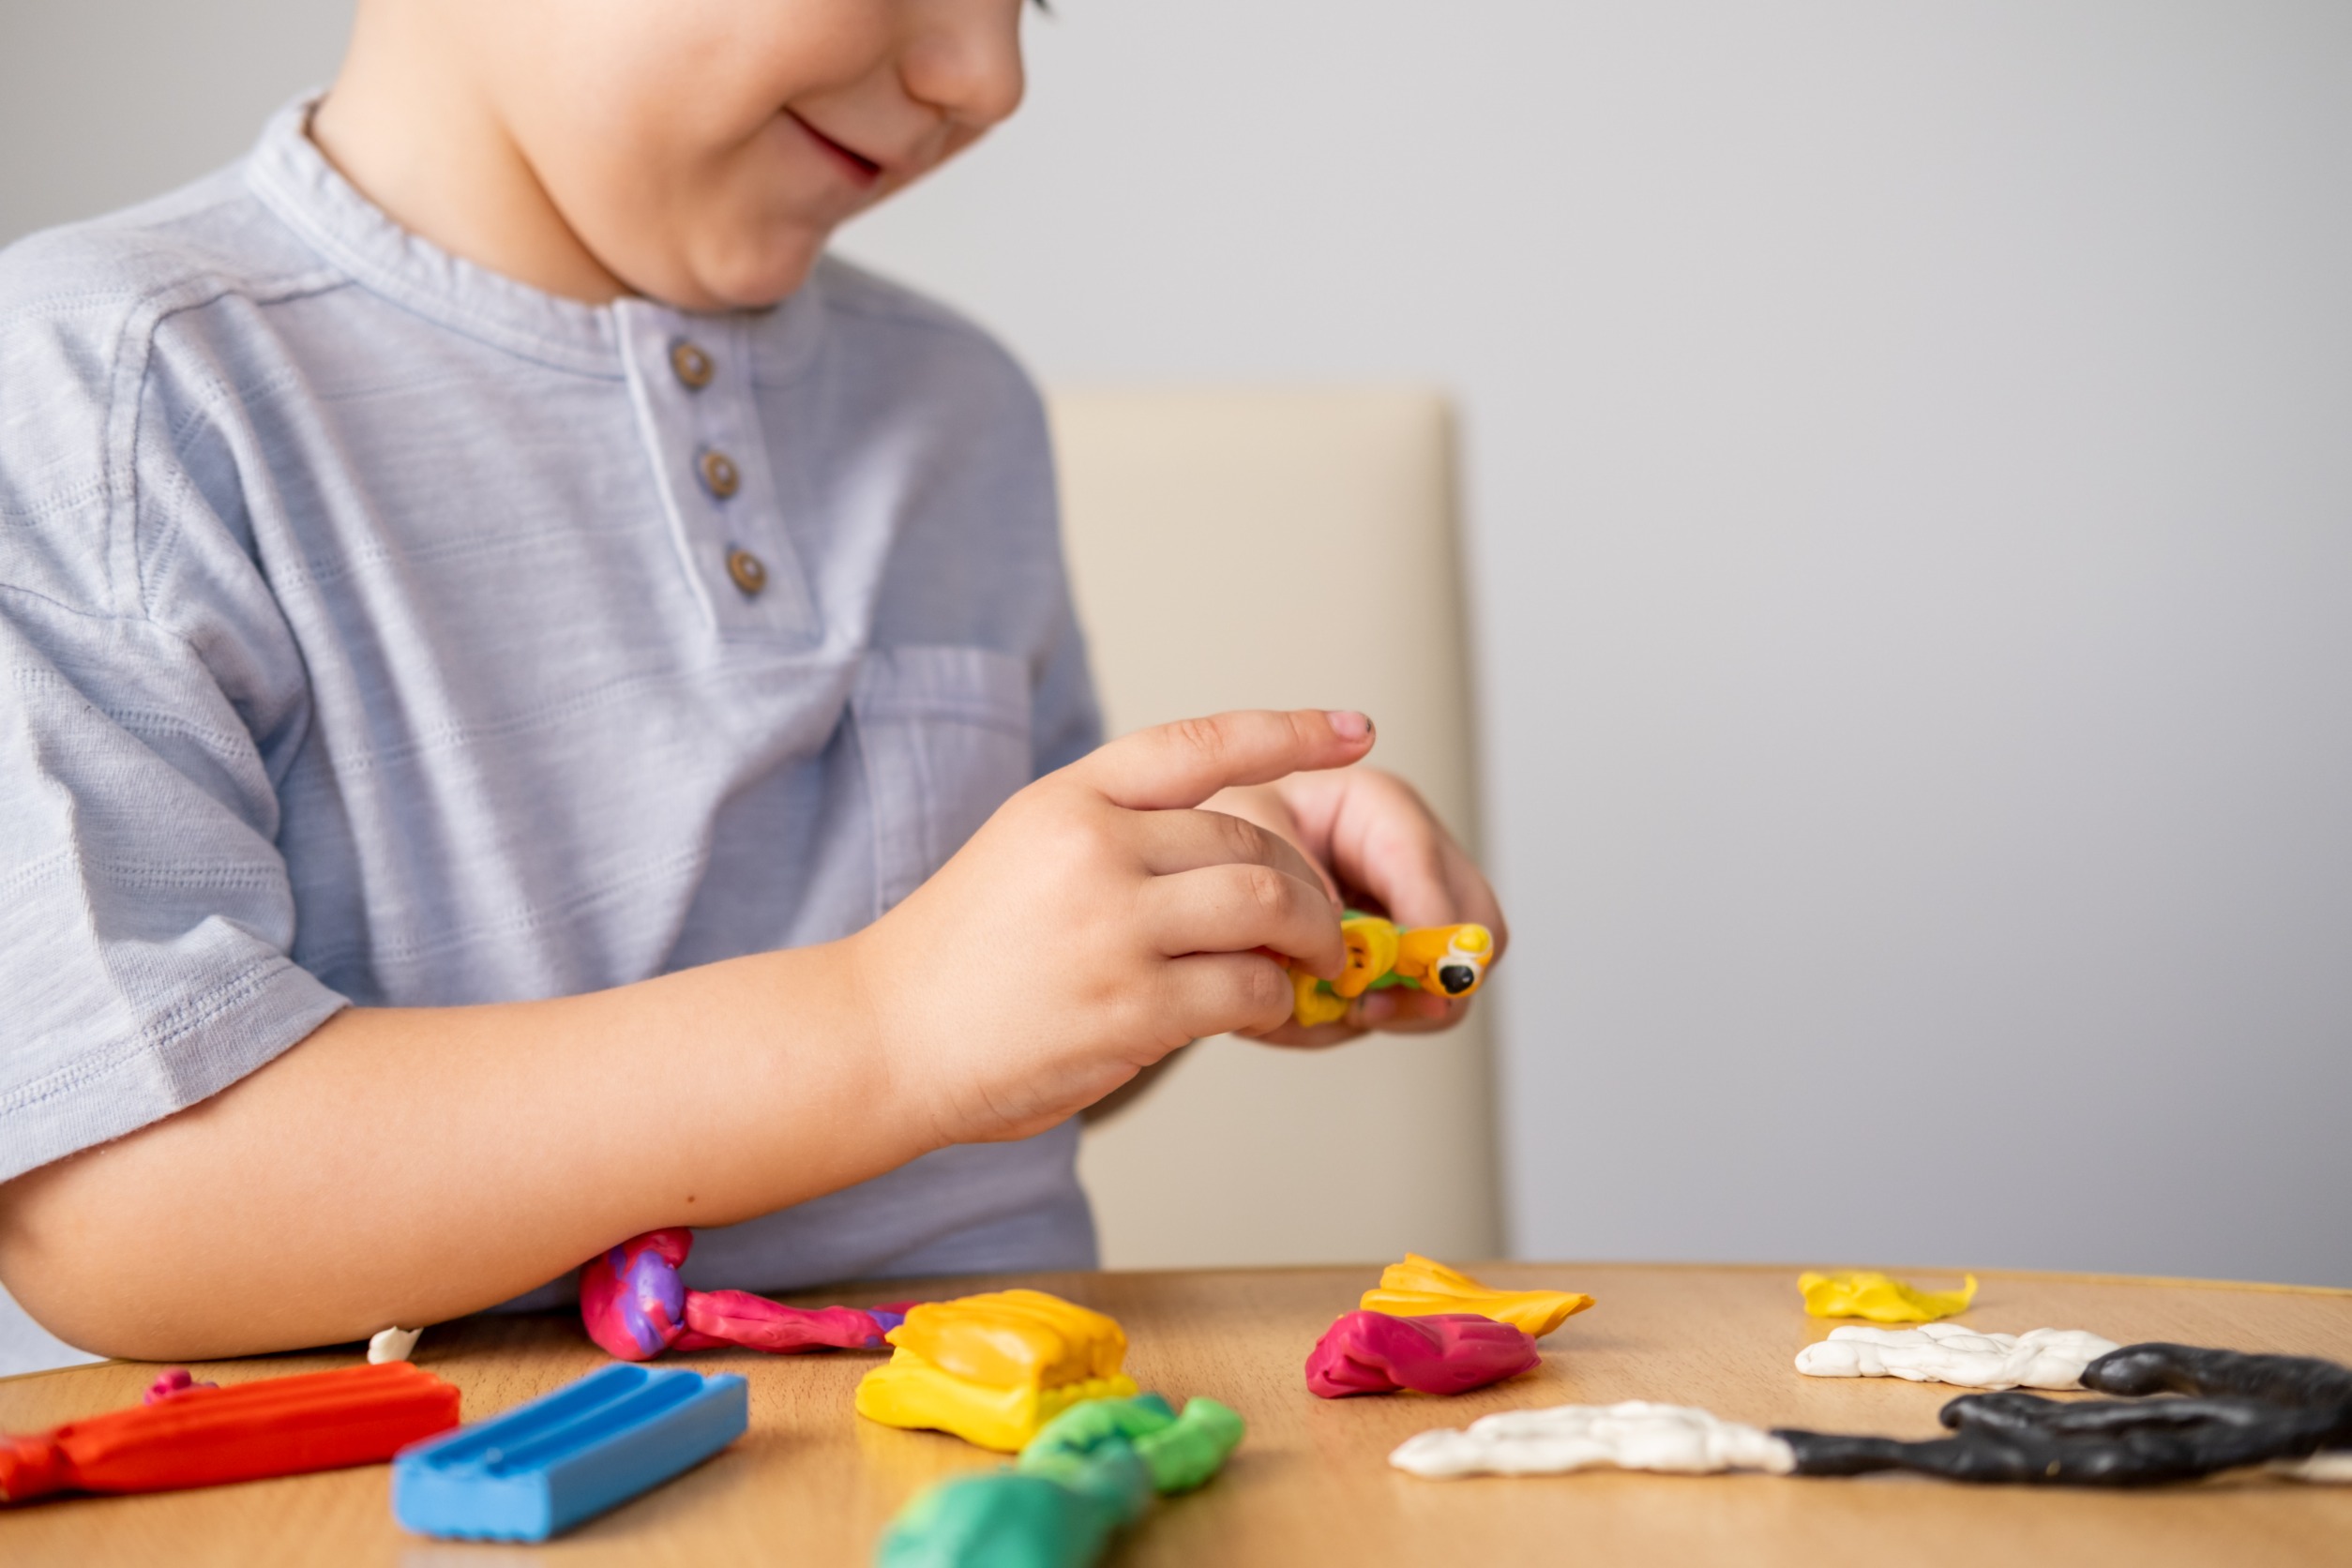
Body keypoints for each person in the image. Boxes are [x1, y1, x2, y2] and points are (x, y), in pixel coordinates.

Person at [0, 0, 1505, 1361]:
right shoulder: (110, 388)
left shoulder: (955, 410)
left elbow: (986, 1070)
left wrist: (1186, 918)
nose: (988, 75)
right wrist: (884, 1023)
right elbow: (117, 1204)